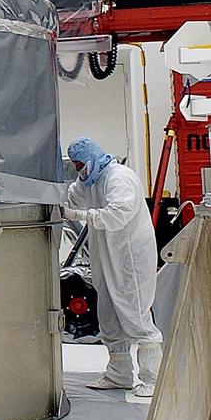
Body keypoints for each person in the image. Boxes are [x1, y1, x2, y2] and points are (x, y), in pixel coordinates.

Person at [64, 137, 163, 398]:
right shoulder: (90, 181)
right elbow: (73, 198)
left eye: (80, 164)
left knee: (136, 314)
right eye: (75, 165)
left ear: (93, 158)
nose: (78, 170)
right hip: (106, 256)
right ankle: (119, 374)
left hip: (131, 257)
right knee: (108, 314)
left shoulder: (119, 177)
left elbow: (118, 214)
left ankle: (152, 378)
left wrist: (81, 216)